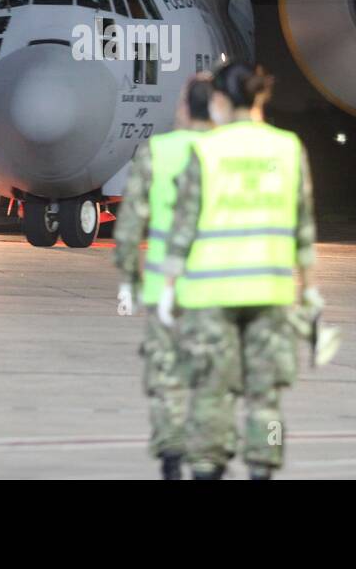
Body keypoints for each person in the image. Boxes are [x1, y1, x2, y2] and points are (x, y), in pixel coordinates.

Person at [159, 62, 321, 480]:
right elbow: (304, 228)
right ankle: (262, 469)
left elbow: (184, 226)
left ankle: (207, 468)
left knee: (212, 392)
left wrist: (169, 286)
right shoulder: (288, 148)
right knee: (265, 396)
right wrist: (309, 291)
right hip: (270, 292)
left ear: (220, 99)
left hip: (211, 294)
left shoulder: (207, 150)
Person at [112, 74, 214, 479]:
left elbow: (129, 225)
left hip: (164, 292)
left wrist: (129, 279)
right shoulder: (229, 153)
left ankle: (172, 455)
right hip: (217, 290)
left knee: (167, 377)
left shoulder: (158, 150)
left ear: (183, 107)